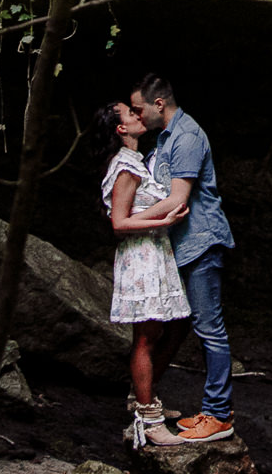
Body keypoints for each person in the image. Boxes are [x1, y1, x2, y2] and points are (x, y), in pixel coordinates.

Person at [130, 74, 238, 443]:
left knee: (210, 328)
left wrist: (125, 223)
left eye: (139, 109)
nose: (136, 116)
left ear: (158, 104)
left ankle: (219, 415)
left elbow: (178, 200)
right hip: (179, 248)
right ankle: (201, 409)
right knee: (182, 328)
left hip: (201, 244)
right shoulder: (163, 139)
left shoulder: (187, 136)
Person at [96, 101, 192, 449]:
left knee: (168, 328)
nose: (139, 115)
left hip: (153, 252)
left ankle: (142, 398)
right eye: (131, 114)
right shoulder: (124, 166)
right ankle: (149, 420)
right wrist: (163, 221)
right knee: (146, 337)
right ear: (121, 129)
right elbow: (119, 223)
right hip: (140, 255)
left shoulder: (136, 161)